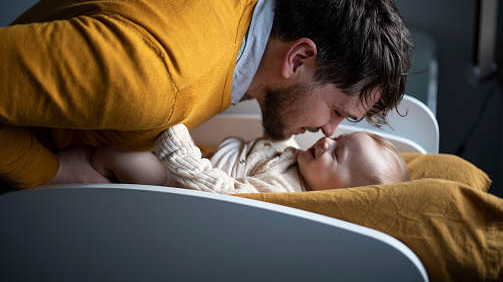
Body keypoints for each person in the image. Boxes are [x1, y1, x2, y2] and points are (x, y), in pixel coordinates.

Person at [0, 0, 413, 189]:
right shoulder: (156, 79)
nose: (328, 128)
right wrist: (50, 171)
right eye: (337, 109)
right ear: (299, 57)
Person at [89, 124, 410, 193]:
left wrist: (177, 148)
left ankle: (76, 173)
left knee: (114, 153)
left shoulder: (283, 192)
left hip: (177, 182)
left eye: (337, 154)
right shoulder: (303, 162)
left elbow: (225, 195)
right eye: (338, 139)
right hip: (196, 162)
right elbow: (282, 138)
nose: (327, 141)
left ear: (338, 195)